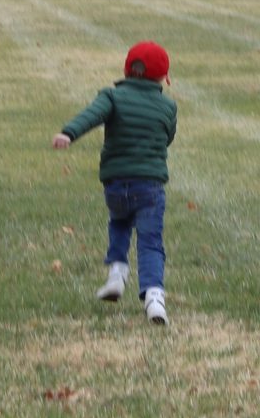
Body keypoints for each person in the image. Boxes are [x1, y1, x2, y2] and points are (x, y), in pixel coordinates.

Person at [52, 38, 177, 325]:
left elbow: (91, 115)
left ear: (127, 70)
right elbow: (167, 137)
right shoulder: (167, 107)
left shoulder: (111, 96)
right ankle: (154, 297)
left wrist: (69, 133)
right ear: (162, 77)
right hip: (150, 185)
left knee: (119, 223)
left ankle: (117, 274)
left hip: (116, 184)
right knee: (150, 241)